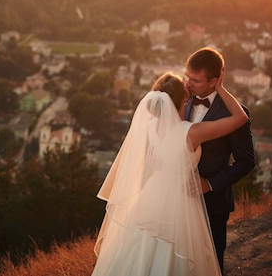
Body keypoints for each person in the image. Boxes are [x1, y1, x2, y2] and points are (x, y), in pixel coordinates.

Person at [92, 68, 248, 276]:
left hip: (150, 196)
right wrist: (218, 86)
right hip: (181, 199)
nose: (187, 105)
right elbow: (240, 118)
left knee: (139, 248)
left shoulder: (151, 127)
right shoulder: (189, 133)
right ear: (175, 104)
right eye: (185, 102)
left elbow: (152, 162)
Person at [184, 47, 255, 274]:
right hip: (178, 201)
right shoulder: (179, 101)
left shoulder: (235, 113)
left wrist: (209, 184)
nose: (188, 83)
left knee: (211, 264)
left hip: (213, 204)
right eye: (187, 76)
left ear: (214, 81)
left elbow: (246, 161)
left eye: (195, 80)